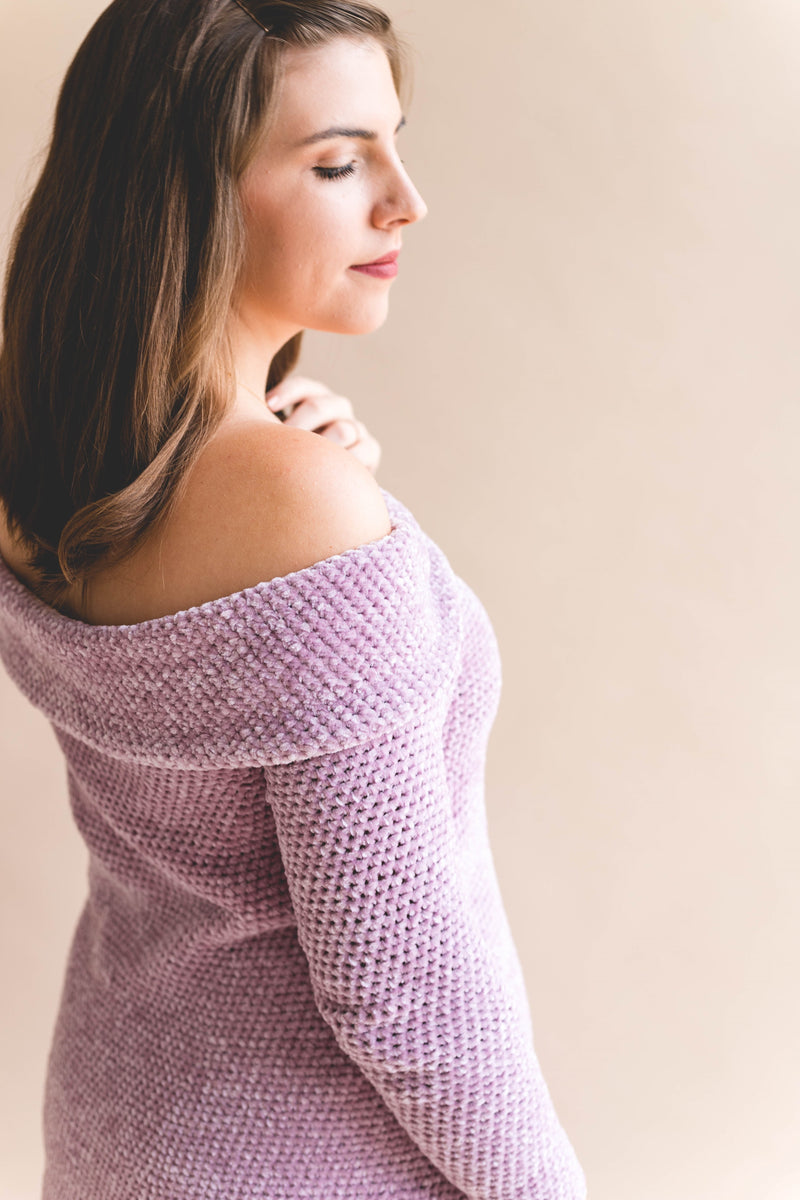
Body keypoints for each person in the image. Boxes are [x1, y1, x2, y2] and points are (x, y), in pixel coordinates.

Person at [0, 2, 587, 1197]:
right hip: (306, 1158)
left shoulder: (49, 465)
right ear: (184, 197)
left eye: (392, 146)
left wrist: (326, 490)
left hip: (125, 1115)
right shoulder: (295, 509)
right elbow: (400, 984)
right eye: (336, 163)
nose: (404, 202)